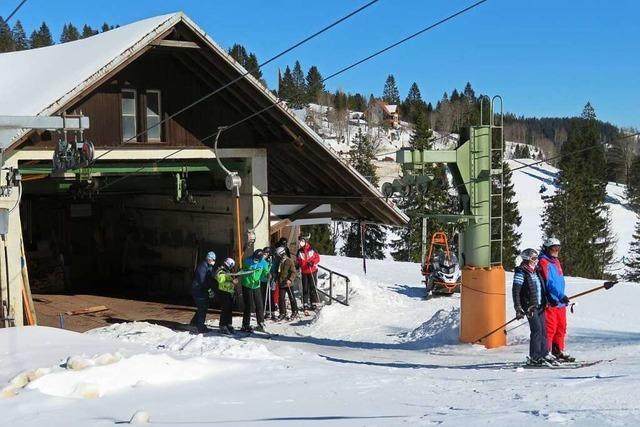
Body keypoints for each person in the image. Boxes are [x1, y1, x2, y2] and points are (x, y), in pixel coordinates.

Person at [512, 248, 555, 365]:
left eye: (536, 258)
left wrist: (548, 300)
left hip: (540, 305)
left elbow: (542, 288)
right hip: (529, 306)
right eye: (533, 258)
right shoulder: (521, 272)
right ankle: (535, 356)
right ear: (527, 259)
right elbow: (516, 291)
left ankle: (544, 353)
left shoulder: (536, 271)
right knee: (536, 330)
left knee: (544, 330)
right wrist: (518, 308)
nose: (536, 261)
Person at [538, 237, 575, 362]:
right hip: (551, 301)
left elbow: (559, 281)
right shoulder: (543, 262)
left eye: (558, 248)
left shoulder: (556, 262)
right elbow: (549, 283)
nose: (556, 251)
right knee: (551, 327)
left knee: (561, 327)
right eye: (554, 248)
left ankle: (558, 349)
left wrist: (562, 296)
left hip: (560, 301)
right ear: (547, 249)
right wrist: (559, 295)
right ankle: (546, 351)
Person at [241, 249, 270, 332]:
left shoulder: (264, 263)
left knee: (259, 305)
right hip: (247, 285)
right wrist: (248, 271)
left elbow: (265, 272)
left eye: (257, 259)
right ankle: (245, 324)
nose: (255, 260)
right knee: (248, 305)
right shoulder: (247, 260)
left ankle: (260, 323)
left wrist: (267, 275)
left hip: (256, 285)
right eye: (254, 258)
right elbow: (243, 270)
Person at [190, 251, 216, 333]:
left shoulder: (209, 267)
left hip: (203, 290)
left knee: (203, 306)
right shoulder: (202, 266)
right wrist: (209, 289)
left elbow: (210, 278)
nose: (213, 261)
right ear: (208, 259)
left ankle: (194, 322)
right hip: (198, 290)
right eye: (212, 259)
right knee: (202, 308)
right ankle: (200, 327)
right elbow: (202, 280)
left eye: (214, 260)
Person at [215, 257, 238, 335]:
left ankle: (228, 324)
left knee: (229, 309)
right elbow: (221, 281)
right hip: (223, 292)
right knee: (225, 309)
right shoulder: (221, 271)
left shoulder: (227, 271)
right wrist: (232, 282)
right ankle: (222, 325)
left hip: (229, 292)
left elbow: (229, 278)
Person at [296, 237, 320, 312]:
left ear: (306, 241)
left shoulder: (312, 249)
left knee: (312, 287)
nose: (301, 242)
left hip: (312, 270)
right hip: (304, 272)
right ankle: (305, 303)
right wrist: (297, 265)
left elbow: (317, 258)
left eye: (302, 241)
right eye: (300, 241)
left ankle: (313, 302)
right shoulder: (300, 251)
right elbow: (298, 260)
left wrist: (312, 262)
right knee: (305, 287)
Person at [275, 245, 299, 320]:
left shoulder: (289, 261)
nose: (278, 256)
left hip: (288, 283)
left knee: (291, 297)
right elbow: (278, 271)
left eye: (279, 254)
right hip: (281, 283)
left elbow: (294, 272)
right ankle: (282, 312)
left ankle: (295, 311)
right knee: (281, 298)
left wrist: (290, 279)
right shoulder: (279, 261)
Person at [259, 247, 278, 320]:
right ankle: (266, 312)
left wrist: (272, 275)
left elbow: (273, 269)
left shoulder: (272, 260)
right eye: (264, 253)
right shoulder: (262, 260)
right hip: (262, 280)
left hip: (270, 280)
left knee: (271, 296)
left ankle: (272, 312)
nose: (265, 254)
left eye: (266, 253)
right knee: (264, 296)